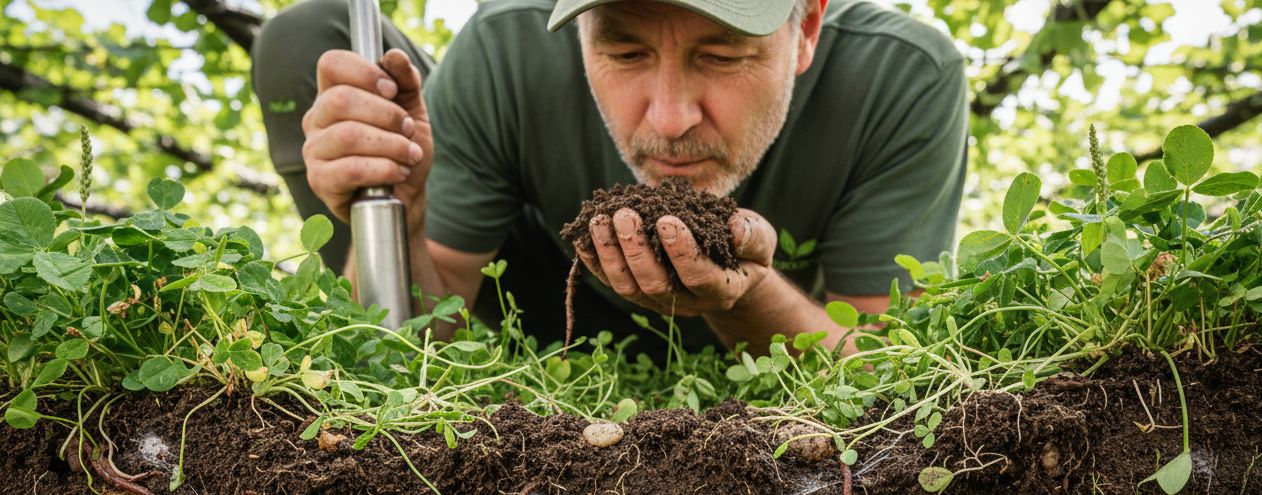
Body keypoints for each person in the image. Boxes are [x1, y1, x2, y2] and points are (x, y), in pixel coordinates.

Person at [251, 0, 967, 356]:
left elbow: (882, 373)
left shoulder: (900, 77)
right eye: (624, 55)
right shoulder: (508, 50)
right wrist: (401, 221)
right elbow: (417, 335)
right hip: (556, 310)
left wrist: (745, 297)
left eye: (720, 57)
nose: (670, 117)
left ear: (805, 27)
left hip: (775, 334)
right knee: (302, 34)